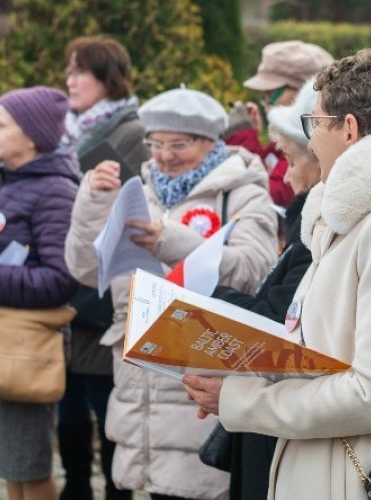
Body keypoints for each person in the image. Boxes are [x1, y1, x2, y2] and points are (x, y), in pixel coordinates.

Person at [182, 48, 371, 500]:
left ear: (348, 129)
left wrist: (243, 401)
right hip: (330, 466)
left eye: (314, 123)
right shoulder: (357, 217)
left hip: (367, 474)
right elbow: (320, 355)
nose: (308, 142)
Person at [64, 87, 277, 500]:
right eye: (156, 144)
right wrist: (92, 202)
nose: (164, 156)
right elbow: (86, 270)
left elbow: (254, 273)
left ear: (210, 143)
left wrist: (169, 240)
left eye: (178, 145)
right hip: (138, 386)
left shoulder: (242, 192)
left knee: (199, 488)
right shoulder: (138, 194)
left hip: (199, 383)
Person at [0, 86, 80, 500]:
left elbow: (61, 279)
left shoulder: (55, 191)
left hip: (23, 349)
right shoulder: (13, 183)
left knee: (29, 464)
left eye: (1, 125)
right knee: (11, 464)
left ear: (33, 136)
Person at [211, 78, 319, 500]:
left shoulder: (317, 233)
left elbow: (279, 324)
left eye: (291, 161)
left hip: (287, 430)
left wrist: (207, 299)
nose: (288, 178)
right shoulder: (307, 224)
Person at [59, 34, 149, 500]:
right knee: (69, 405)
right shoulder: (70, 130)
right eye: (69, 70)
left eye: (80, 71)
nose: (70, 80)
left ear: (106, 76)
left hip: (107, 289)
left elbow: (134, 210)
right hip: (73, 281)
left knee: (106, 406)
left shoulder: (132, 131)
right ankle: (75, 489)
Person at [225, 40, 333, 207]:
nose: (266, 103)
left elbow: (270, 194)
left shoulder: (310, 143)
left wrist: (243, 137)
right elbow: (270, 170)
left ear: (304, 92)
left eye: (272, 94)